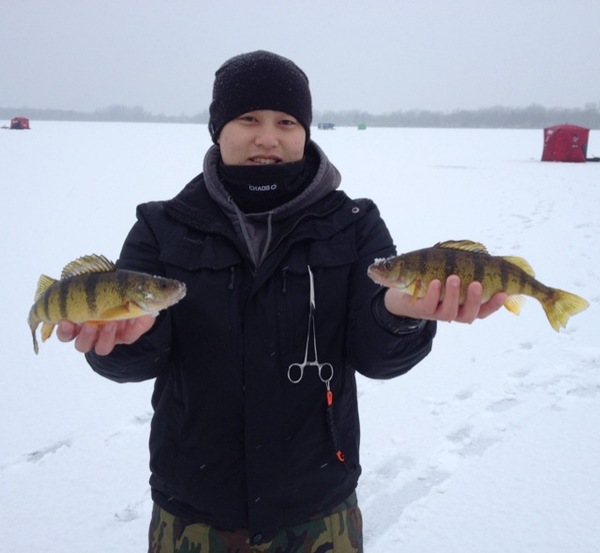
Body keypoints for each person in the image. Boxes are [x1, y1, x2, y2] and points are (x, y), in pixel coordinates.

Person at [58, 51, 506, 553]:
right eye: (248, 119)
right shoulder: (161, 227)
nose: (267, 138)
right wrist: (123, 340)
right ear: (218, 129)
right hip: (192, 514)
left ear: (305, 132)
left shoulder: (354, 224)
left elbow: (375, 356)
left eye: (286, 122)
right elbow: (134, 358)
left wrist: (400, 317)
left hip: (319, 513)